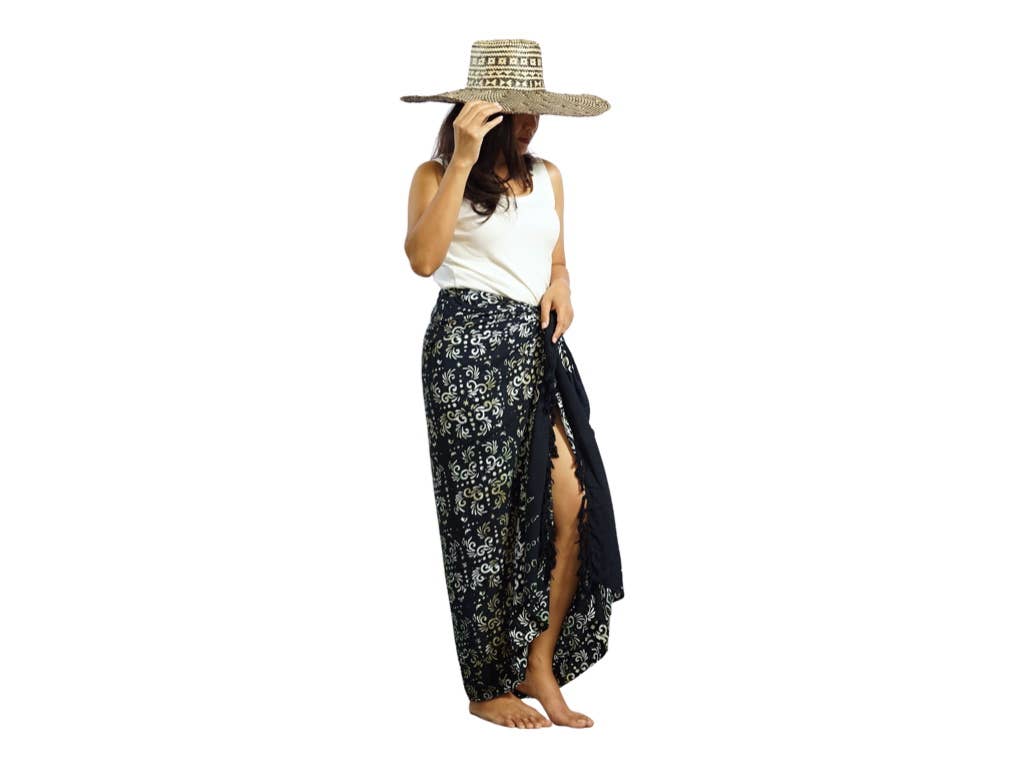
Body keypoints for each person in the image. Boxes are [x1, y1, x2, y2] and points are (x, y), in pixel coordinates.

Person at [401, 39, 624, 729]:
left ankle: (538, 663)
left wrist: (562, 284)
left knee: (572, 501)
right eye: (514, 110)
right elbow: (423, 260)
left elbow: (556, 260)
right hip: (466, 354)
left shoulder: (549, 176)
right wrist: (462, 160)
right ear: (477, 113)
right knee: (481, 521)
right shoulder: (435, 174)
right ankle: (486, 684)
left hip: (534, 349)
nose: (528, 123)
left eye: (535, 110)